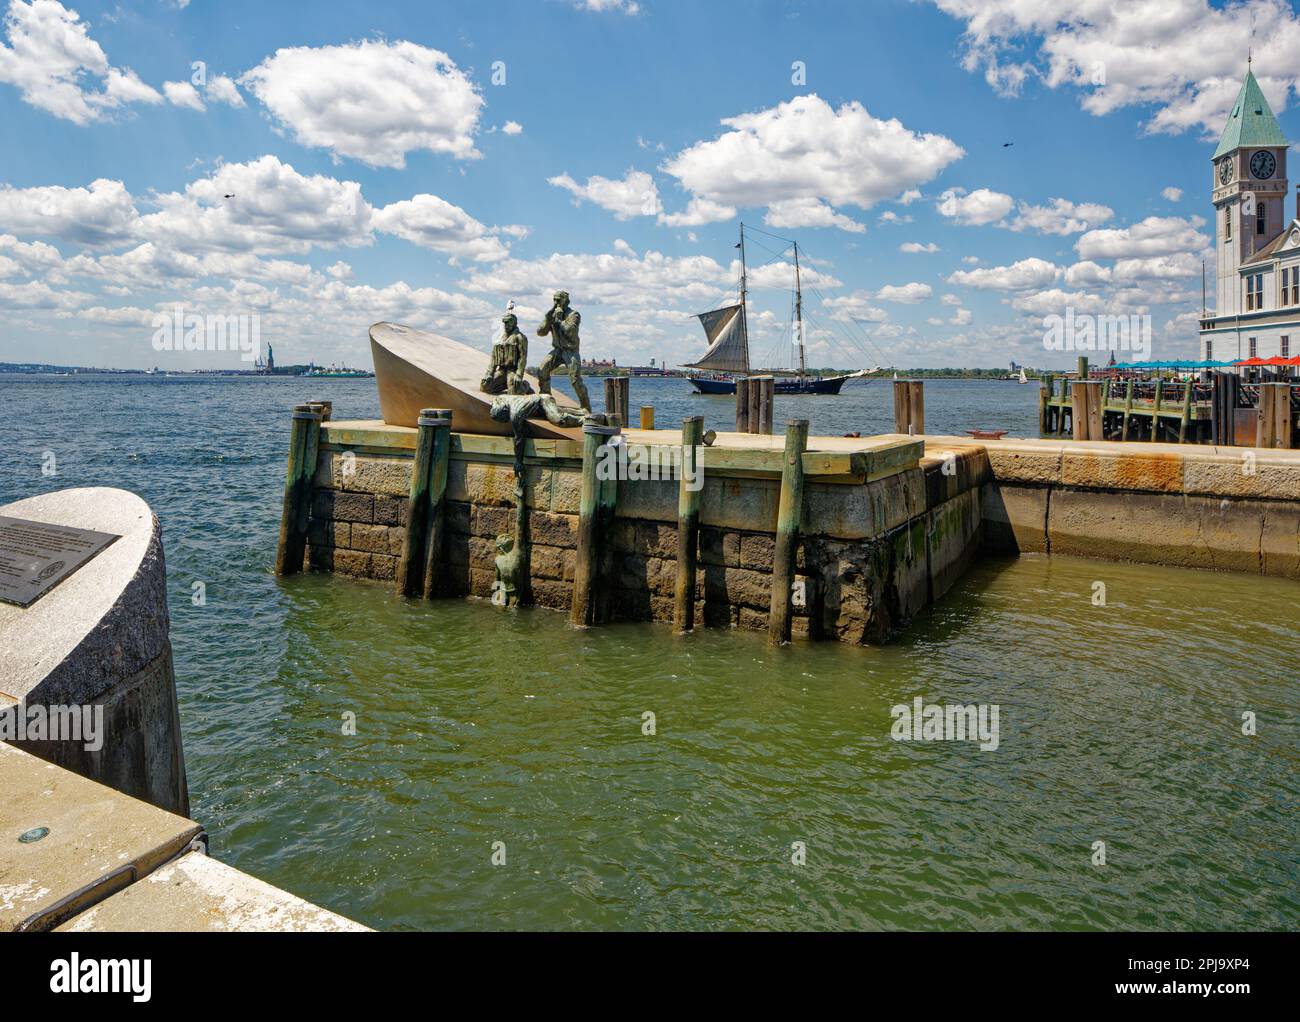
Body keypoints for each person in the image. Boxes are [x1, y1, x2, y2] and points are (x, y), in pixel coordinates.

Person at [536, 290, 591, 410]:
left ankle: (586, 406)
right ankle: (546, 400)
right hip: (557, 350)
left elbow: (570, 331)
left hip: (570, 351)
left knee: (575, 380)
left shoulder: (574, 315)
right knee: (542, 370)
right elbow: (540, 332)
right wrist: (548, 318)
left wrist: (559, 320)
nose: (556, 302)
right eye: (554, 300)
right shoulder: (552, 314)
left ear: (566, 301)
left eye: (558, 300)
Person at [479, 313, 532, 396]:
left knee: (513, 392)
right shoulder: (499, 338)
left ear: (514, 323)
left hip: (512, 370)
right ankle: (505, 384)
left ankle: (525, 386)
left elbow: (523, 358)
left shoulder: (520, 337)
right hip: (501, 370)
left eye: (508, 322)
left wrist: (518, 374)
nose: (505, 325)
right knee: (485, 386)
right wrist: (489, 374)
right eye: (504, 322)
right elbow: (493, 358)